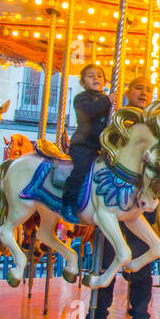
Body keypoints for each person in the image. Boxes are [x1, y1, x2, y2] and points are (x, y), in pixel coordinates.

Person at [66, 77, 155, 319]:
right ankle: (98, 316)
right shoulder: (115, 118)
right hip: (112, 194)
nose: (144, 92)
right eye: (139, 87)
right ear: (127, 91)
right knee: (103, 258)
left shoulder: (152, 123)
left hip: (138, 198)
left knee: (139, 261)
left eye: (148, 89)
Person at [61, 64, 113, 222]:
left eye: (99, 75)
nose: (95, 78)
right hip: (83, 145)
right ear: (83, 83)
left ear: (105, 82)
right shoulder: (82, 98)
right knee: (81, 170)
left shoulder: (107, 100)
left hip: (102, 147)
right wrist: (108, 101)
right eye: (90, 76)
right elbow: (89, 111)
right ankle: (68, 203)